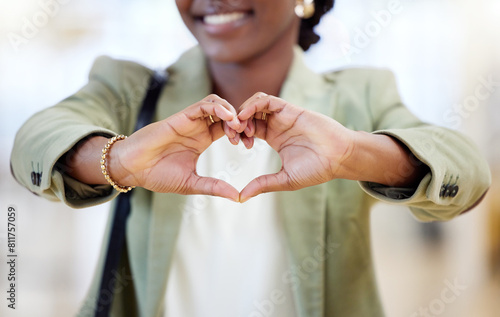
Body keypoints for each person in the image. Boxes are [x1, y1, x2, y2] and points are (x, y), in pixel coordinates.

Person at [10, 0, 491, 316]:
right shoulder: (130, 89)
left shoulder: (358, 95)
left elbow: (467, 172)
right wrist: (115, 161)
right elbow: (33, 142)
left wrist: (352, 153)